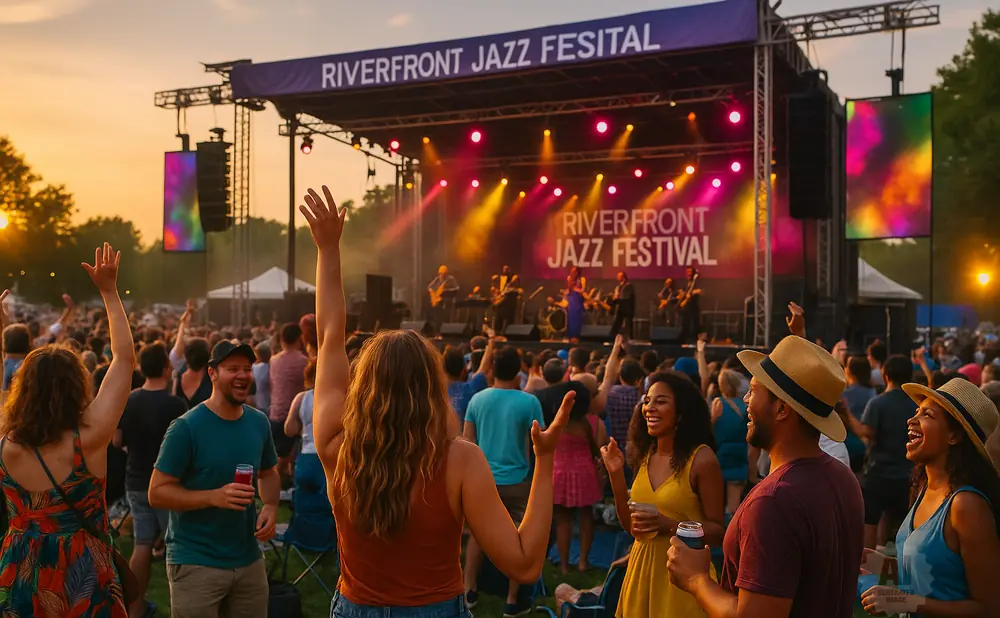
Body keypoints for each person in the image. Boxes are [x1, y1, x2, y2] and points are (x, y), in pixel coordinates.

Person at [297, 185, 576, 618]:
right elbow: (523, 563)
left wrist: (328, 249)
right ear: (433, 388)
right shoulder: (460, 461)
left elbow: (329, 335)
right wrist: (544, 460)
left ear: (364, 387)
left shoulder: (336, 445)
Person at [667, 335, 865, 618]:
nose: (746, 398)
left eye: (755, 390)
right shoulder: (844, 479)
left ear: (782, 408)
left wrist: (696, 580)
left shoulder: (774, 501)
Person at [0, 244, 135, 617]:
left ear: (22, 389)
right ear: (78, 386)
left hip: (19, 571)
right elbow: (124, 360)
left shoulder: (5, 445)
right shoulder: (90, 438)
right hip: (83, 575)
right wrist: (109, 292)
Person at [148, 340, 280, 618]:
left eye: (247, 368)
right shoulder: (186, 427)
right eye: (233, 369)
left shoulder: (258, 423)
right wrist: (213, 497)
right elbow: (157, 492)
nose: (243, 375)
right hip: (196, 562)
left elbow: (268, 473)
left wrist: (269, 506)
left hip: (248, 560)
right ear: (212, 374)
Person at [861, 379, 1000, 617]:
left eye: (927, 414)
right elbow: (932, 574)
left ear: (954, 435)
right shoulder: (925, 488)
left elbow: (989, 608)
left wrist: (906, 602)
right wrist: (879, 563)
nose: (911, 419)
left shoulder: (966, 505)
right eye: (916, 411)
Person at [601, 371, 725, 618]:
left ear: (681, 411)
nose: (649, 408)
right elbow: (631, 528)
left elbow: (718, 532)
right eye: (647, 401)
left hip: (682, 579)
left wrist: (670, 525)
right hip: (641, 571)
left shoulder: (702, 460)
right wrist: (615, 474)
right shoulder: (646, 455)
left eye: (660, 401)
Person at [463, 346, 547, 615]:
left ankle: (468, 590)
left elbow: (467, 441)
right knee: (518, 537)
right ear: (519, 371)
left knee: (477, 534)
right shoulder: (529, 402)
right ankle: (512, 600)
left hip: (483, 480)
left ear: (492, 370)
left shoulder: (477, 400)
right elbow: (541, 442)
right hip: (518, 480)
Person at [115, 342, 187, 618]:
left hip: (136, 480)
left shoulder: (130, 399)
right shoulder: (175, 405)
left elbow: (117, 440)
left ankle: (135, 608)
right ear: (167, 369)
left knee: (142, 543)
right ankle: (180, 605)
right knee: (176, 544)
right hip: (168, 483)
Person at [844, 355, 917, 549]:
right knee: (899, 524)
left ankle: (868, 567)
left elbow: (866, 432)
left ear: (885, 375)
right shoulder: (916, 405)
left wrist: (847, 414)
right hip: (907, 474)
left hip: (878, 473)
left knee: (870, 520)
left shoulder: (878, 403)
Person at [269, 322, 309, 485]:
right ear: (299, 338)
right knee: (288, 456)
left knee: (278, 455)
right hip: (292, 414)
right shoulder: (304, 361)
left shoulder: (273, 360)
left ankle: (277, 484)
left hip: (275, 412)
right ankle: (281, 486)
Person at [608, 271, 635, 342]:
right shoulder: (619, 286)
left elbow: (624, 297)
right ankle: (612, 338)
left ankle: (629, 339)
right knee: (617, 324)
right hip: (620, 308)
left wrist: (616, 298)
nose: (617, 277)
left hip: (626, 308)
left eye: (619, 276)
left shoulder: (628, 286)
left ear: (623, 277)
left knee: (628, 325)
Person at [565, 268, 587, 343]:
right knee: (571, 318)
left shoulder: (582, 279)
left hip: (577, 299)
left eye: (574, 271)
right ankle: (570, 337)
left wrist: (575, 289)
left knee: (577, 317)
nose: (573, 272)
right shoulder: (569, 278)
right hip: (571, 299)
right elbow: (568, 290)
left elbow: (582, 290)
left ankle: (576, 336)